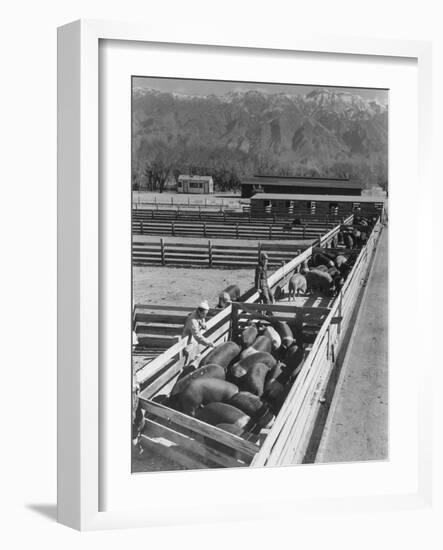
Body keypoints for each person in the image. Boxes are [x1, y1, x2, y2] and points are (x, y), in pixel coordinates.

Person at [182, 300, 215, 366]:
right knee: (189, 360)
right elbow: (197, 335)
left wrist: (203, 325)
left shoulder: (199, 315)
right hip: (189, 342)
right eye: (203, 314)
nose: (205, 316)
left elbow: (201, 320)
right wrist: (208, 342)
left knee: (197, 357)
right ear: (199, 311)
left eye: (206, 314)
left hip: (194, 341)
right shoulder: (192, 320)